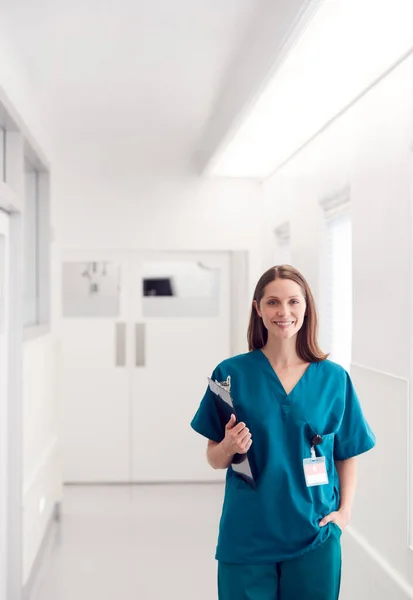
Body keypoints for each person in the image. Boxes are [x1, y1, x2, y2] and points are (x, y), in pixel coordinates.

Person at [190, 265, 376, 600]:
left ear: (306, 307)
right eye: (273, 302)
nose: (284, 312)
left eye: (293, 302)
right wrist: (229, 445)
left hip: (314, 534)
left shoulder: (334, 379)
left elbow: (346, 452)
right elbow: (214, 458)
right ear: (258, 308)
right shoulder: (230, 375)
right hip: (247, 533)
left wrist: (344, 513)